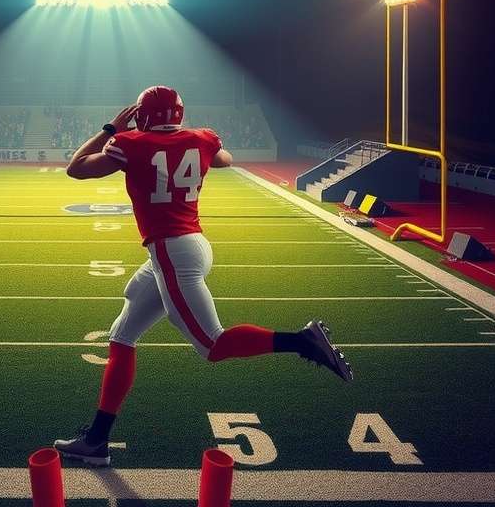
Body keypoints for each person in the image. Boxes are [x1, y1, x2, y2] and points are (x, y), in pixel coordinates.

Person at [55, 86, 353, 466]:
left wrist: (111, 127)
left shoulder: (129, 142)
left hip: (171, 252)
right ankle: (96, 441)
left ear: (141, 116)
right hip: (189, 246)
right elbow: (223, 158)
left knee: (214, 346)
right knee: (123, 333)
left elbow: (76, 167)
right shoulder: (203, 139)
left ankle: (303, 341)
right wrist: (185, 139)